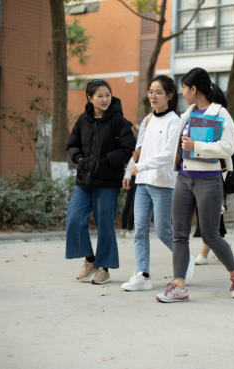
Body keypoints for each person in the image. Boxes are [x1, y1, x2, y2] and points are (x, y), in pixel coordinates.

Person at [156, 67, 234, 302]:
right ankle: (179, 286)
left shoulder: (220, 113)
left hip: (209, 180)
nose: (182, 93)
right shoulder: (188, 113)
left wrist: (196, 146)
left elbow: (228, 147)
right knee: (179, 234)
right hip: (184, 179)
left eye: (184, 89)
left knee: (211, 235)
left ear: (194, 89)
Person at [120, 75, 190, 291]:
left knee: (162, 231)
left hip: (163, 183)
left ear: (169, 95)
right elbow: (138, 149)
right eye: (151, 91)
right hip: (142, 183)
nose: (153, 95)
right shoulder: (148, 119)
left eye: (158, 92)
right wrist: (128, 171)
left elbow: (169, 154)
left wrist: (142, 166)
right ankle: (143, 275)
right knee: (139, 230)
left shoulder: (174, 121)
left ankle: (186, 262)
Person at [65, 80, 136, 284]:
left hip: (107, 181)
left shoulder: (118, 121)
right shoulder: (83, 120)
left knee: (105, 225)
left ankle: (104, 269)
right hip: (84, 180)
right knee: (74, 220)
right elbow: (72, 145)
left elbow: (127, 148)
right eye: (100, 95)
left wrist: (105, 162)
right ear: (90, 98)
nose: (105, 99)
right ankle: (90, 260)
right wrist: (79, 159)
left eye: (108, 94)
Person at [120, 123, 138, 239]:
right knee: (133, 203)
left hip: (129, 173)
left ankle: (123, 229)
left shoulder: (123, 141)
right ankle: (130, 230)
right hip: (137, 172)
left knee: (128, 202)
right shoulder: (135, 141)